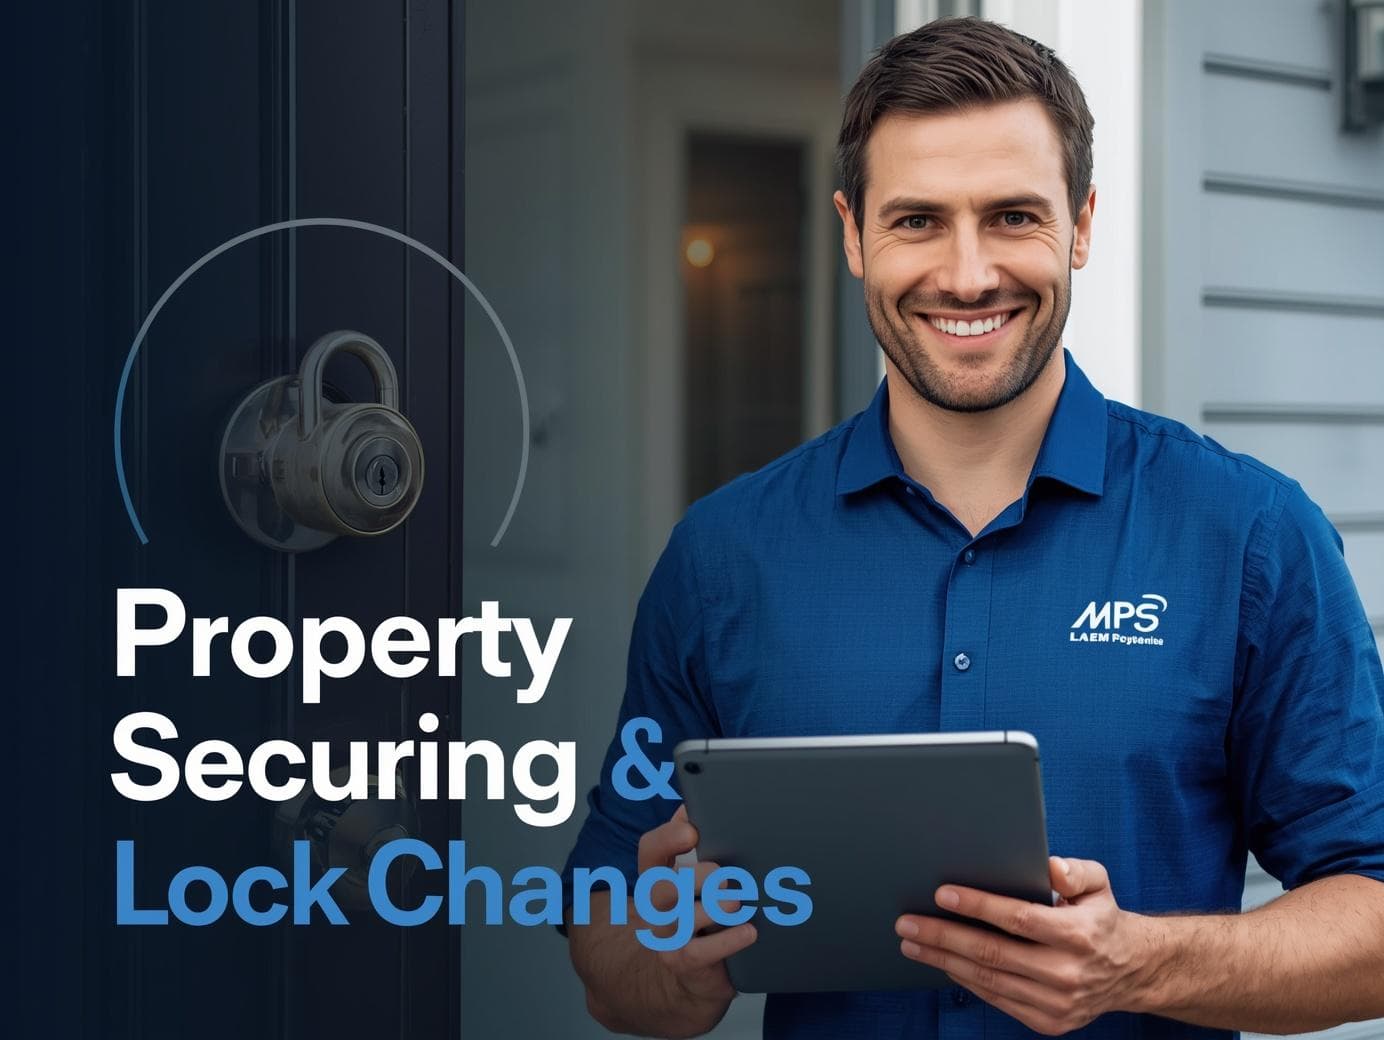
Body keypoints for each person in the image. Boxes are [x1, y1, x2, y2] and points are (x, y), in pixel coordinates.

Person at [561, 16, 1384, 1039]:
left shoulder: (1251, 536)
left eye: (1010, 216)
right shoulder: (722, 557)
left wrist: (1141, 962)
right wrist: (671, 967)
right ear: (853, 234)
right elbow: (605, 921)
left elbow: (1375, 909)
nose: (964, 273)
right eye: (916, 220)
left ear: (1080, 224)